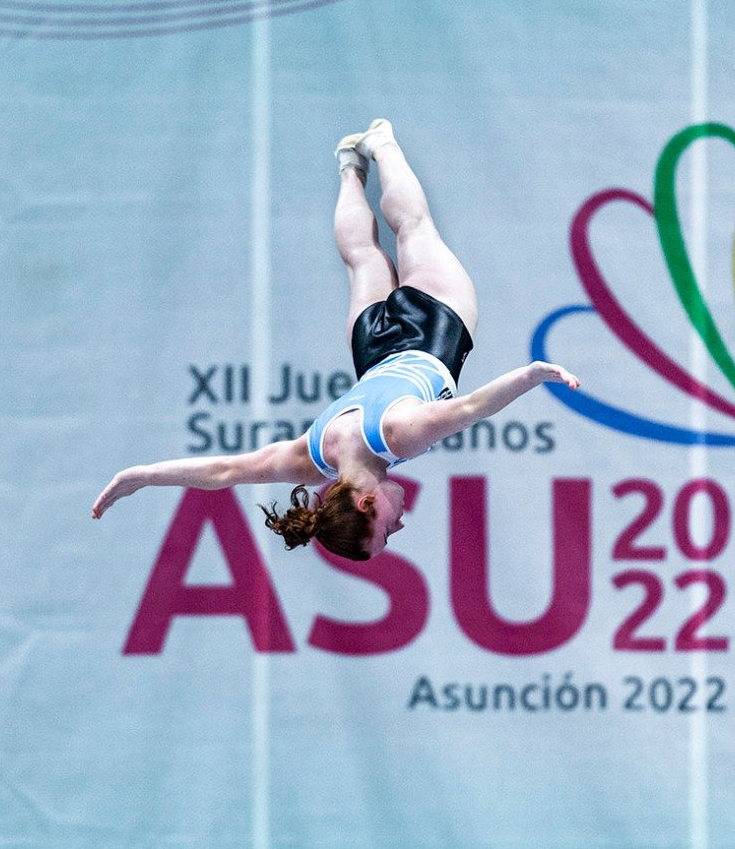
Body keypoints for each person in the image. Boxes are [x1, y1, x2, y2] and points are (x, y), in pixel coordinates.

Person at [92, 119, 579, 560]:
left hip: (434, 327)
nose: (400, 524)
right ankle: (351, 164)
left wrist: (535, 373)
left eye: (386, 530)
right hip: (370, 347)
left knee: (412, 227)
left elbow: (473, 408)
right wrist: (143, 475)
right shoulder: (312, 458)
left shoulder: (400, 436)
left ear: (366, 503)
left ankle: (384, 142)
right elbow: (225, 473)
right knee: (364, 258)